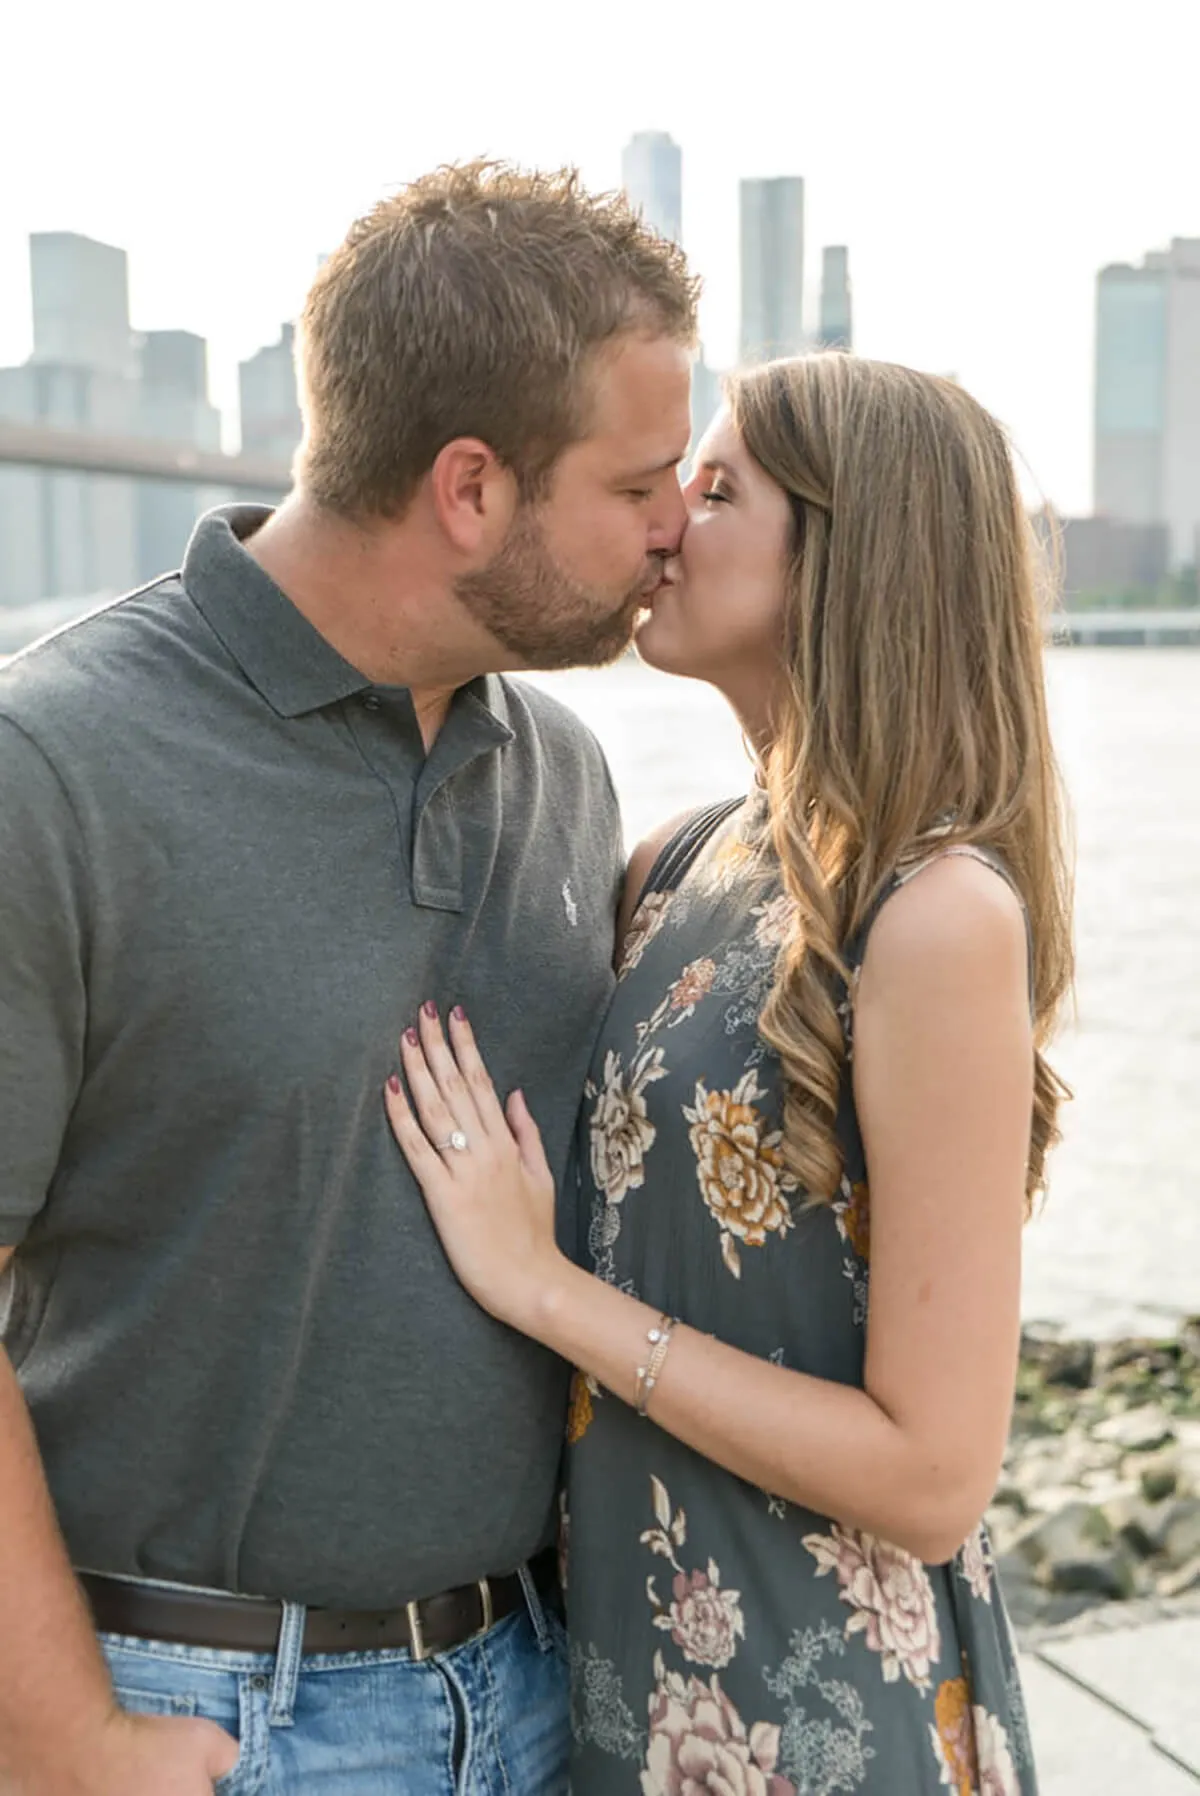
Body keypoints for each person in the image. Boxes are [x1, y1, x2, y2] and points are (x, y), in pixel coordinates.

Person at [0, 162, 697, 1796]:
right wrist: (59, 1739)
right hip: (203, 1714)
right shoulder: (52, 764)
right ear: (470, 488)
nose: (676, 524)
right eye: (641, 481)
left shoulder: (567, 775)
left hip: (527, 1694)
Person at [384, 352, 1074, 1795]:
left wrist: (547, 1292)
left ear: (848, 548)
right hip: (620, 1691)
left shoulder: (936, 914)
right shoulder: (678, 865)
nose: (660, 526)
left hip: (817, 1708)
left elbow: (937, 1477)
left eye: (712, 489)